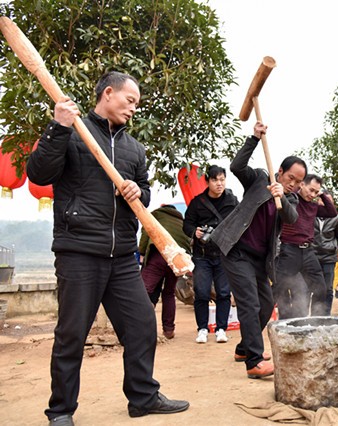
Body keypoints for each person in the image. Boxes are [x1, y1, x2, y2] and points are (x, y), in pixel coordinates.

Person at [27, 71, 189, 425]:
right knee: (71, 334)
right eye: (130, 101)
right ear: (109, 94)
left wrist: (136, 191)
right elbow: (38, 174)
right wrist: (57, 127)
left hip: (122, 257)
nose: (133, 109)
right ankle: (61, 411)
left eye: (137, 105)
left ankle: (143, 397)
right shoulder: (71, 133)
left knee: (143, 326)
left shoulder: (135, 149)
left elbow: (145, 194)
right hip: (79, 251)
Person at [211, 122, 303, 379]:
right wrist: (253, 138)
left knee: (265, 303)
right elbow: (236, 166)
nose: (294, 184)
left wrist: (281, 195)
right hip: (235, 249)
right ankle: (253, 361)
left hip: (259, 259)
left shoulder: (290, 199)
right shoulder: (260, 179)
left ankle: (243, 348)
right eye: (290, 178)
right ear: (280, 171)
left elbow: (292, 217)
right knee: (249, 303)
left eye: (298, 181)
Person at [183, 165, 238, 344]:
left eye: (222, 179)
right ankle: (202, 329)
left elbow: (240, 222)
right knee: (202, 292)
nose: (219, 184)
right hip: (202, 254)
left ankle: (221, 328)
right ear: (207, 181)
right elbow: (187, 225)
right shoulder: (197, 202)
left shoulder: (232, 200)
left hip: (224, 253)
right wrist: (195, 232)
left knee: (223, 292)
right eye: (215, 180)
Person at [274, 174, 337, 319]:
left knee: (322, 288)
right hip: (289, 250)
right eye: (311, 190)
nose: (312, 194)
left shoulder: (314, 206)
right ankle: (283, 320)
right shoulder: (290, 200)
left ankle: (316, 319)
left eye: (316, 192)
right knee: (280, 288)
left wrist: (322, 196)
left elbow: (332, 212)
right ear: (302, 184)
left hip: (308, 251)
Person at [139, 204, 191, 339]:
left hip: (158, 256)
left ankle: (141, 328)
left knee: (143, 291)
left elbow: (146, 230)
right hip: (176, 260)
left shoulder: (156, 214)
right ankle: (169, 330)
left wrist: (142, 251)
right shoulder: (181, 221)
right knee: (168, 293)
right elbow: (188, 241)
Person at [312, 190, 338, 315]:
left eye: (328, 200)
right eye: (322, 199)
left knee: (328, 288)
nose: (324, 202)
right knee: (315, 288)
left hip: (329, 258)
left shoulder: (337, 219)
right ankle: (314, 315)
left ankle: (325, 315)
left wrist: (333, 247)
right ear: (318, 201)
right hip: (312, 256)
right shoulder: (311, 215)